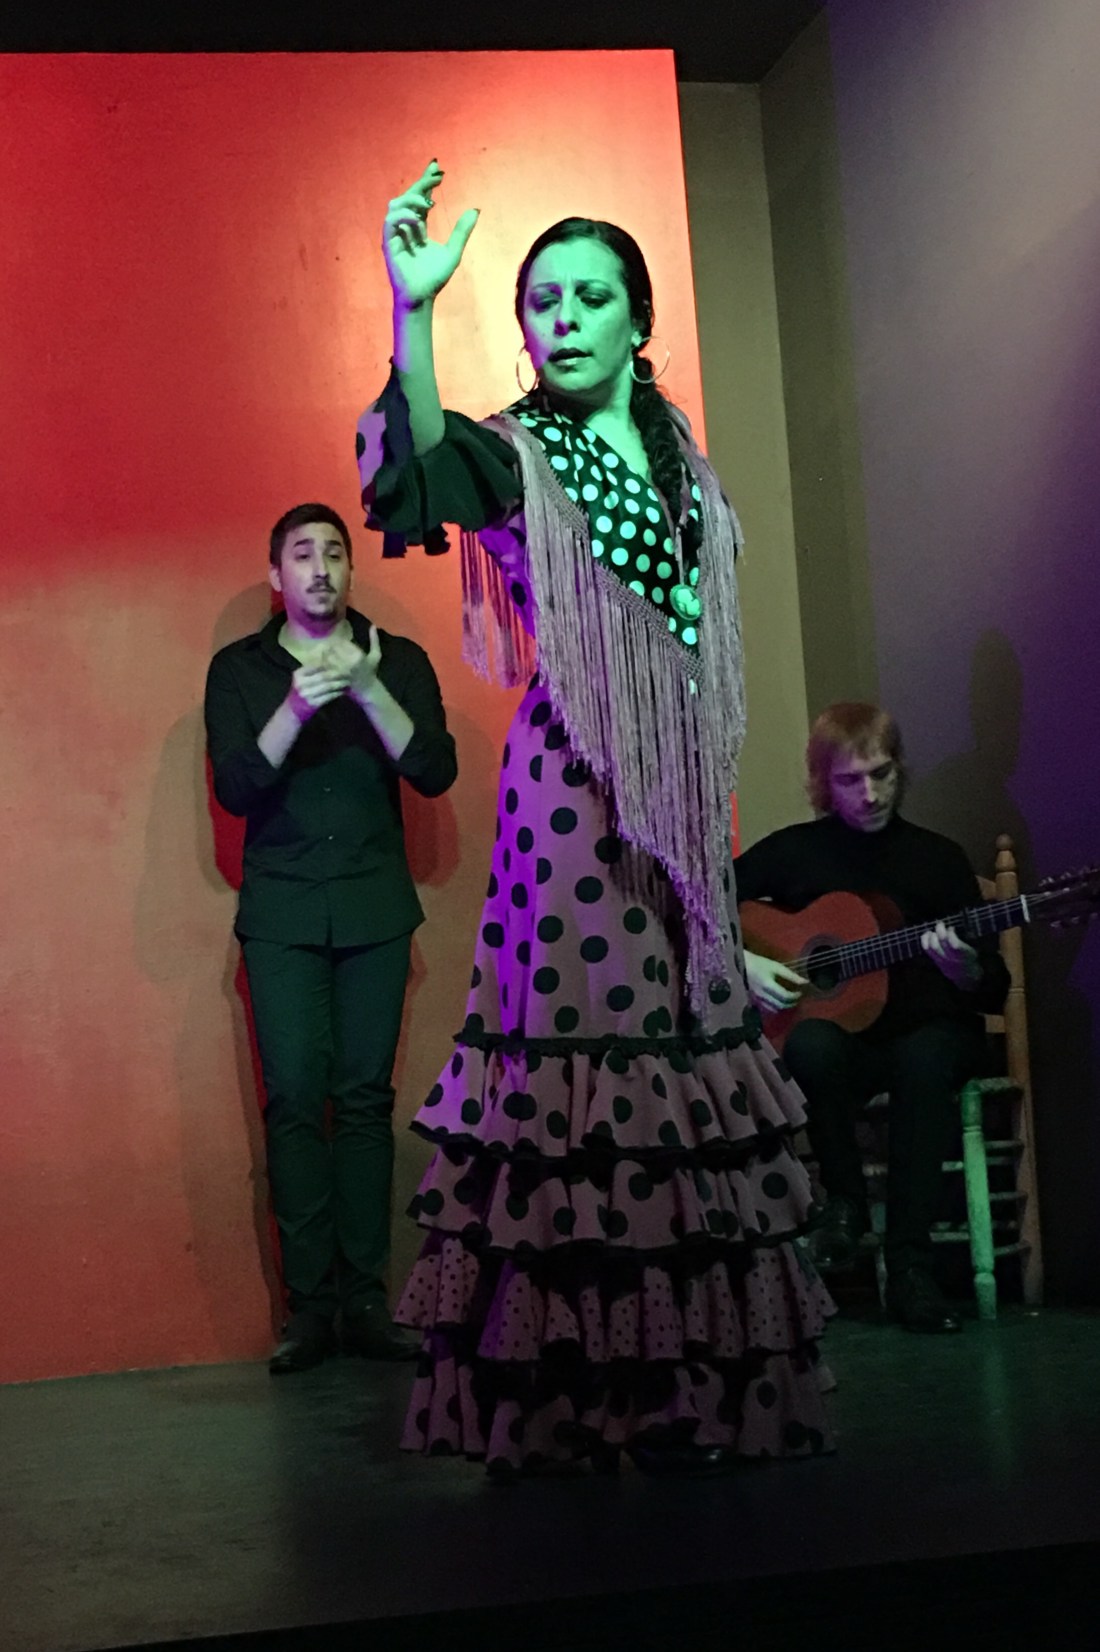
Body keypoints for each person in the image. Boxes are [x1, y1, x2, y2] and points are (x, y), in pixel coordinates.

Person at [354, 161, 833, 1478]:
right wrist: (412, 313)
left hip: (674, 795)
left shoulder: (683, 463)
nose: (560, 320)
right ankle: (580, 1403)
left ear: (638, 318)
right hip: (572, 802)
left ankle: (697, 1395)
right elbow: (414, 468)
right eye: (540, 302)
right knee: (594, 1074)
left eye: (587, 298)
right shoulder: (516, 453)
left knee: (684, 1062)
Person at [204, 502, 457, 1373]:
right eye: (303, 555)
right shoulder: (239, 671)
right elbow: (236, 787)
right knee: (292, 1101)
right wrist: (296, 706)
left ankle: (365, 1301)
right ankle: (308, 1311)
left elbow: (435, 769)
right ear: (276, 577)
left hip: (373, 908)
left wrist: (367, 690)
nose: (321, 568)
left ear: (351, 570)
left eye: (335, 554)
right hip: (280, 913)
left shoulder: (397, 660)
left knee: (362, 1103)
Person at [737, 702, 1010, 1334]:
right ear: (823, 784)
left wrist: (965, 968)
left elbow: (994, 988)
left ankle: (911, 1268)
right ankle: (847, 1204)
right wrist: (745, 963)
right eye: (850, 780)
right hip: (849, 1045)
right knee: (809, 1043)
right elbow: (702, 903)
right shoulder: (795, 852)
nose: (870, 794)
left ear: (899, 769)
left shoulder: (938, 859)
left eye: (881, 774)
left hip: (931, 1035)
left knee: (925, 1057)